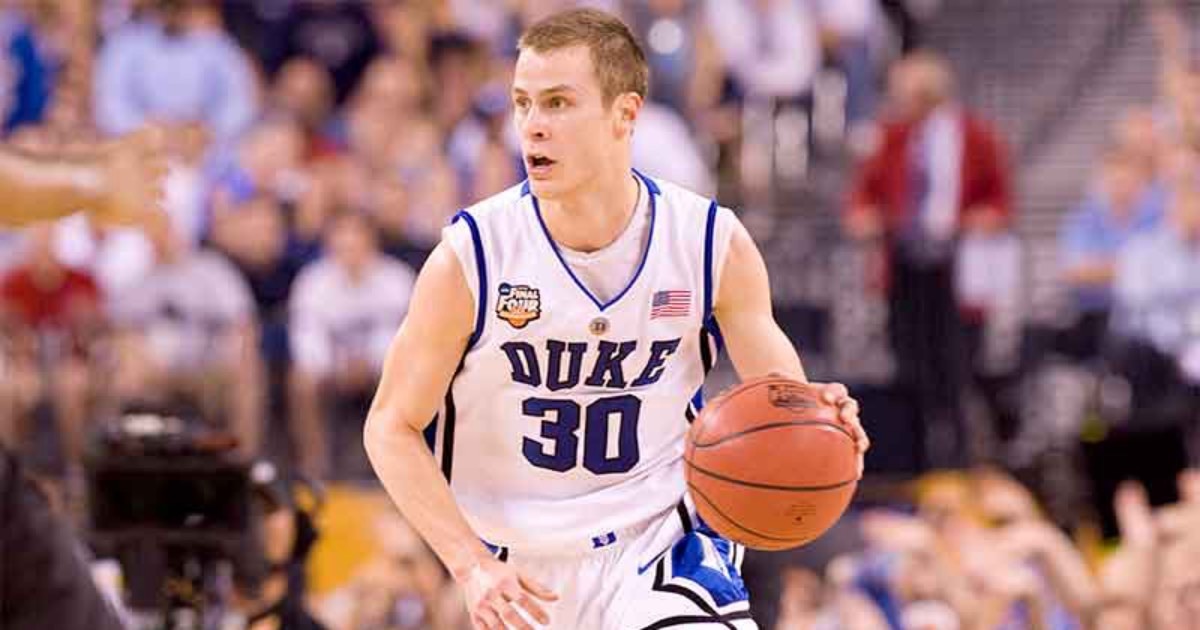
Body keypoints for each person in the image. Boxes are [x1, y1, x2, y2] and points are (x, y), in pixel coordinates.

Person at [363, 9, 868, 630]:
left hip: (660, 544)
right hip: (518, 568)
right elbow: (390, 426)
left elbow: (780, 401)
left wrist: (820, 419)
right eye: (522, 103)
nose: (532, 125)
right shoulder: (472, 258)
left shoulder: (709, 242)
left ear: (624, 114)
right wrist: (469, 564)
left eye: (557, 103)